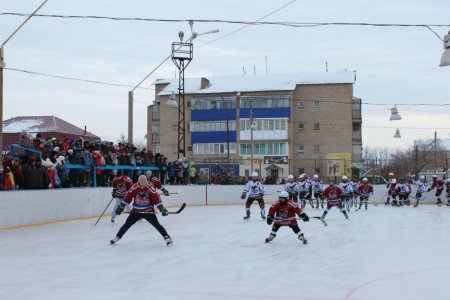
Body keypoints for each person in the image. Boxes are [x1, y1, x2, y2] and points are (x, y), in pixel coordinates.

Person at [110, 175, 173, 246]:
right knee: (127, 224)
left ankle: (167, 238)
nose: (142, 183)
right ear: (139, 181)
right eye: (141, 181)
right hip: (136, 211)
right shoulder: (134, 188)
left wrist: (162, 208)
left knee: (157, 225)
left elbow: (156, 199)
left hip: (148, 211)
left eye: (144, 182)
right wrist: (121, 207)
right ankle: (117, 237)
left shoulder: (150, 188)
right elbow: (127, 198)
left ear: (146, 181)